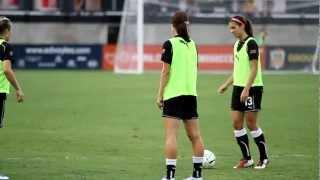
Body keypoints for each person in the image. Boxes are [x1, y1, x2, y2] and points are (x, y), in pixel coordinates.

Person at [156, 11, 204, 180]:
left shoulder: (169, 44)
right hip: (191, 95)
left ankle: (170, 176)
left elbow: (165, 72)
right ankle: (197, 175)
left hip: (174, 95)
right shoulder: (193, 45)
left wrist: (159, 94)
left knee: (171, 136)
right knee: (195, 136)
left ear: (173, 26)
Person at [217, 15, 269, 169]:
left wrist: (247, 89)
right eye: (230, 28)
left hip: (252, 88)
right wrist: (226, 85)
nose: (231, 30)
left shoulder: (251, 43)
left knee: (251, 123)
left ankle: (264, 158)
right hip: (238, 87)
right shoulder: (236, 45)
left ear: (242, 26)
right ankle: (247, 159)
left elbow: (254, 69)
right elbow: (238, 70)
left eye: (233, 27)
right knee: (236, 123)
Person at [0, 16, 24, 180]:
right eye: (11, 30)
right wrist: (18, 89)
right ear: (7, 31)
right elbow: (7, 70)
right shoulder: (5, 46)